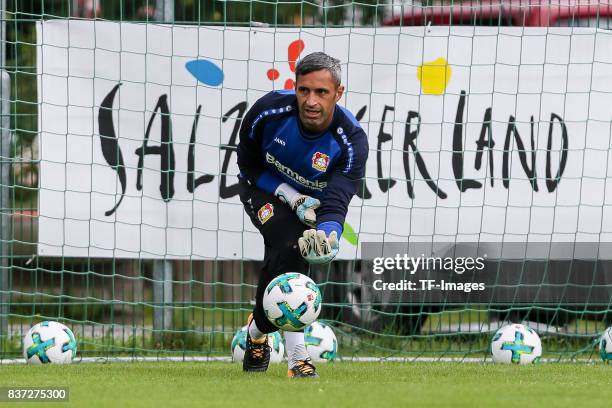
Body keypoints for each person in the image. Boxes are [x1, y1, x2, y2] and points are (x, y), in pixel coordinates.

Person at [237, 52, 368, 378]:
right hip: (264, 190)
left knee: (288, 255)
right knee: (289, 244)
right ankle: (298, 357)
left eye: (321, 92)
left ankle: (256, 333)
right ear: (294, 88)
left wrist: (329, 234)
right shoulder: (266, 112)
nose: (311, 100)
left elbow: (337, 199)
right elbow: (249, 166)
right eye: (304, 90)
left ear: (338, 93)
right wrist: (291, 197)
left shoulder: (351, 142)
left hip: (313, 207)